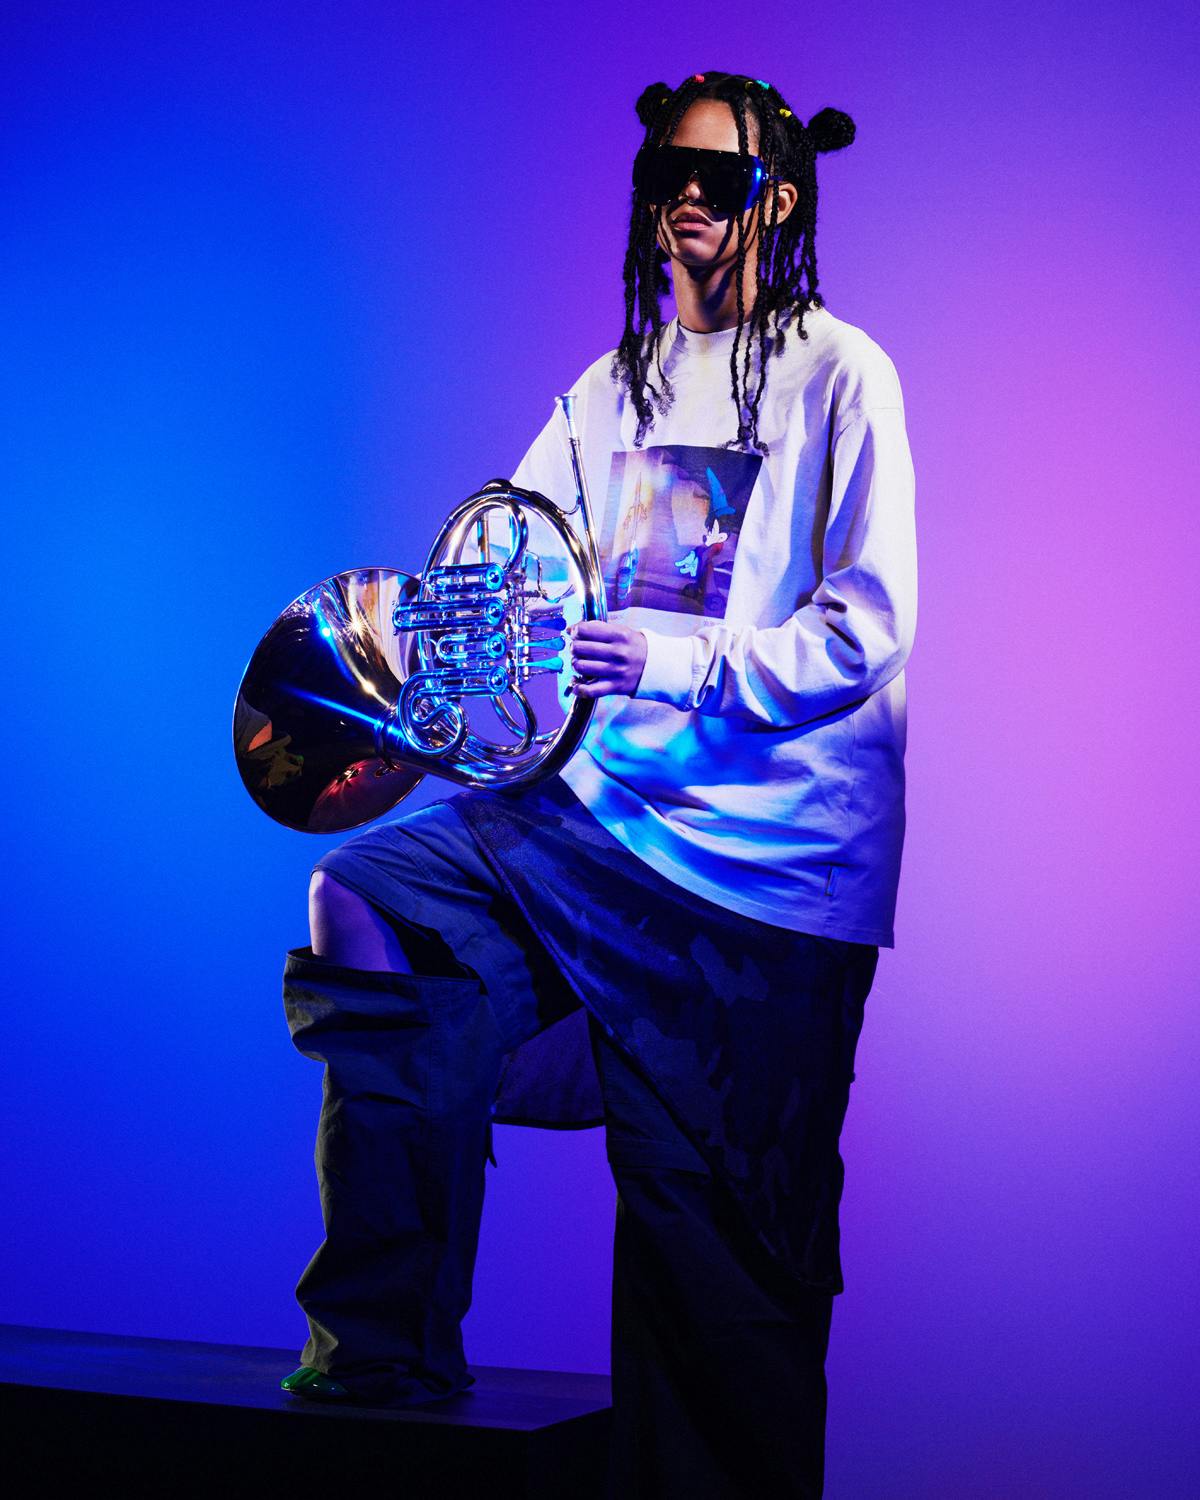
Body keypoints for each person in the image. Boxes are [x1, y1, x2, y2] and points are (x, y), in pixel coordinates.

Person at [278, 69, 916, 1500]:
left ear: (779, 201)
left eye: (719, 178)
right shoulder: (606, 391)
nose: (684, 195)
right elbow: (504, 571)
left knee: (715, 1272)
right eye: (664, 174)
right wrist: (429, 658)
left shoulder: (841, 373)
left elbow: (871, 625)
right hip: (596, 828)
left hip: (761, 884)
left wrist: (678, 659)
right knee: (371, 896)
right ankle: (383, 1353)